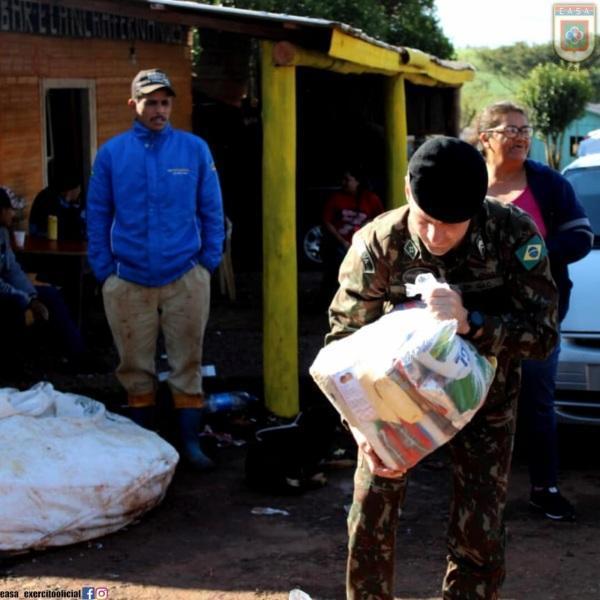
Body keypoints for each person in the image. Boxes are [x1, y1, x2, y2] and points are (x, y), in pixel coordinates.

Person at [326, 137, 558, 599]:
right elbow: (340, 348)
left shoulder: (511, 234)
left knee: (481, 529)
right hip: (387, 409)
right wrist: (360, 429)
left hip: (485, 403)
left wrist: (474, 323)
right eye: (427, 221)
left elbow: (544, 336)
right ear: (409, 192)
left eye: (452, 226)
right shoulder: (378, 243)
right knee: (370, 516)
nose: (435, 238)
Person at [86, 68, 225, 471]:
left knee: (187, 361)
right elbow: (97, 215)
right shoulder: (111, 154)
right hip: (127, 279)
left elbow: (212, 210)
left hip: (186, 275)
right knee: (134, 365)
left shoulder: (194, 149)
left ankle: (189, 444)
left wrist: (206, 263)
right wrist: (104, 270)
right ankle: (143, 449)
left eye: (165, 102)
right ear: (134, 105)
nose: (159, 109)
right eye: (150, 102)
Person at [476, 101, 593, 521]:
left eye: (526, 130)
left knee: (537, 403)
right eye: (510, 129)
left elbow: (580, 236)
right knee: (477, 402)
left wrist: (533, 257)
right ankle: (481, 493)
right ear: (485, 137)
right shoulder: (468, 185)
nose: (522, 137)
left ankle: (545, 488)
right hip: (475, 319)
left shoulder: (548, 184)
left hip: (537, 318)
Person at [0, 187, 86, 374]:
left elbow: (12, 269)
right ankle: (15, 365)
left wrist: (31, 294)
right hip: (4, 293)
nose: (13, 214)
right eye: (10, 210)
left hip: (10, 288)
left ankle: (76, 354)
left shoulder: (3, 233)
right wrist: (27, 299)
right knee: (14, 305)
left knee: (51, 295)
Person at [320, 167, 384, 305]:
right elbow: (327, 222)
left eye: (347, 180)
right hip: (340, 244)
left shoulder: (371, 199)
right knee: (337, 271)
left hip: (362, 244)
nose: (344, 183)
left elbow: (379, 219)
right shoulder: (336, 198)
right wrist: (343, 242)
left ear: (357, 182)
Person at [29, 174, 85, 241]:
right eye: (78, 189)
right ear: (71, 191)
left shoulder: (56, 196)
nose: (79, 192)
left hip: (49, 241)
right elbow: (60, 230)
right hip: (43, 243)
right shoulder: (49, 199)